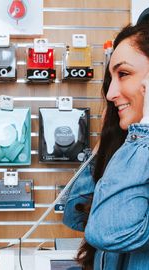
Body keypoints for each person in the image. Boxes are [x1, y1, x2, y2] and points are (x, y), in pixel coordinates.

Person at [63, 22, 149, 270]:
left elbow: (109, 233)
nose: (111, 93)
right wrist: (107, 139)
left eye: (123, 74)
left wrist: (143, 133)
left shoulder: (140, 148)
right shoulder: (130, 148)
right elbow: (77, 216)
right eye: (111, 78)